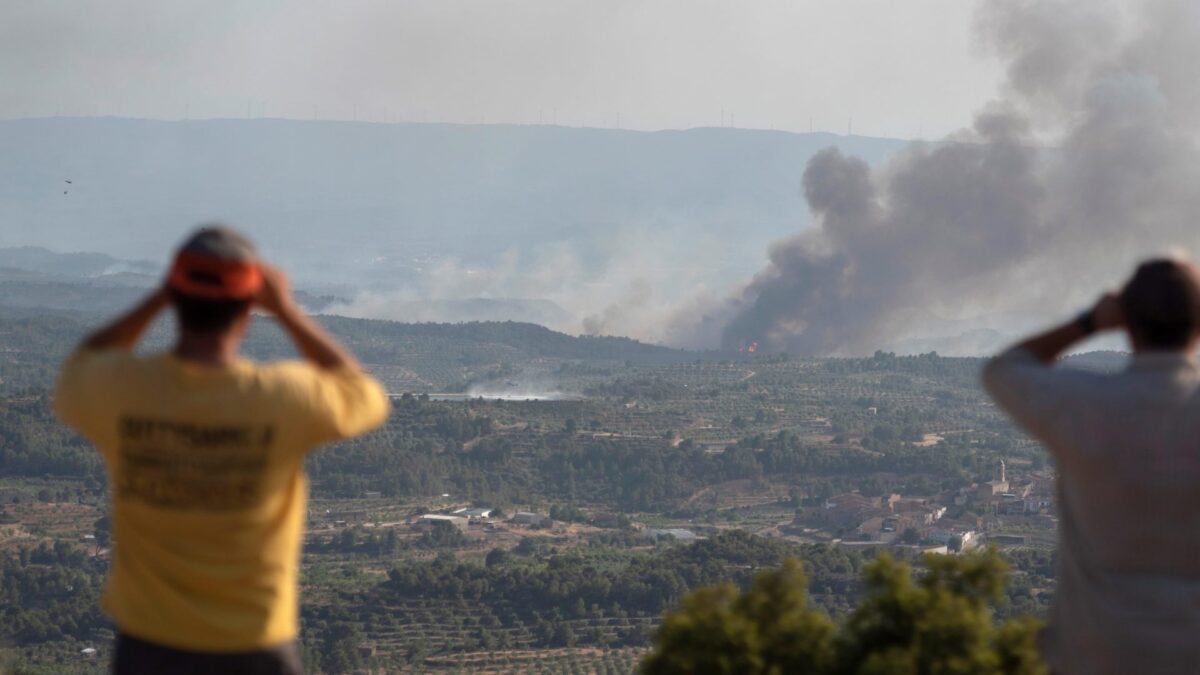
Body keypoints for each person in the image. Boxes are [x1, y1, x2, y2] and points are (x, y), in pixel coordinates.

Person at [54, 227, 390, 674]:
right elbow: (363, 393)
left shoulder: (124, 392)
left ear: (177, 299)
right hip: (253, 643)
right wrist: (287, 311)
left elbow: (82, 365)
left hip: (149, 646)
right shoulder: (281, 399)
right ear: (249, 308)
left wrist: (161, 296)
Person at [982, 257, 1200, 675]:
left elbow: (1004, 369)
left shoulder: (1088, 405)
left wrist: (1089, 322)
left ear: (1127, 324)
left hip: (1099, 655)